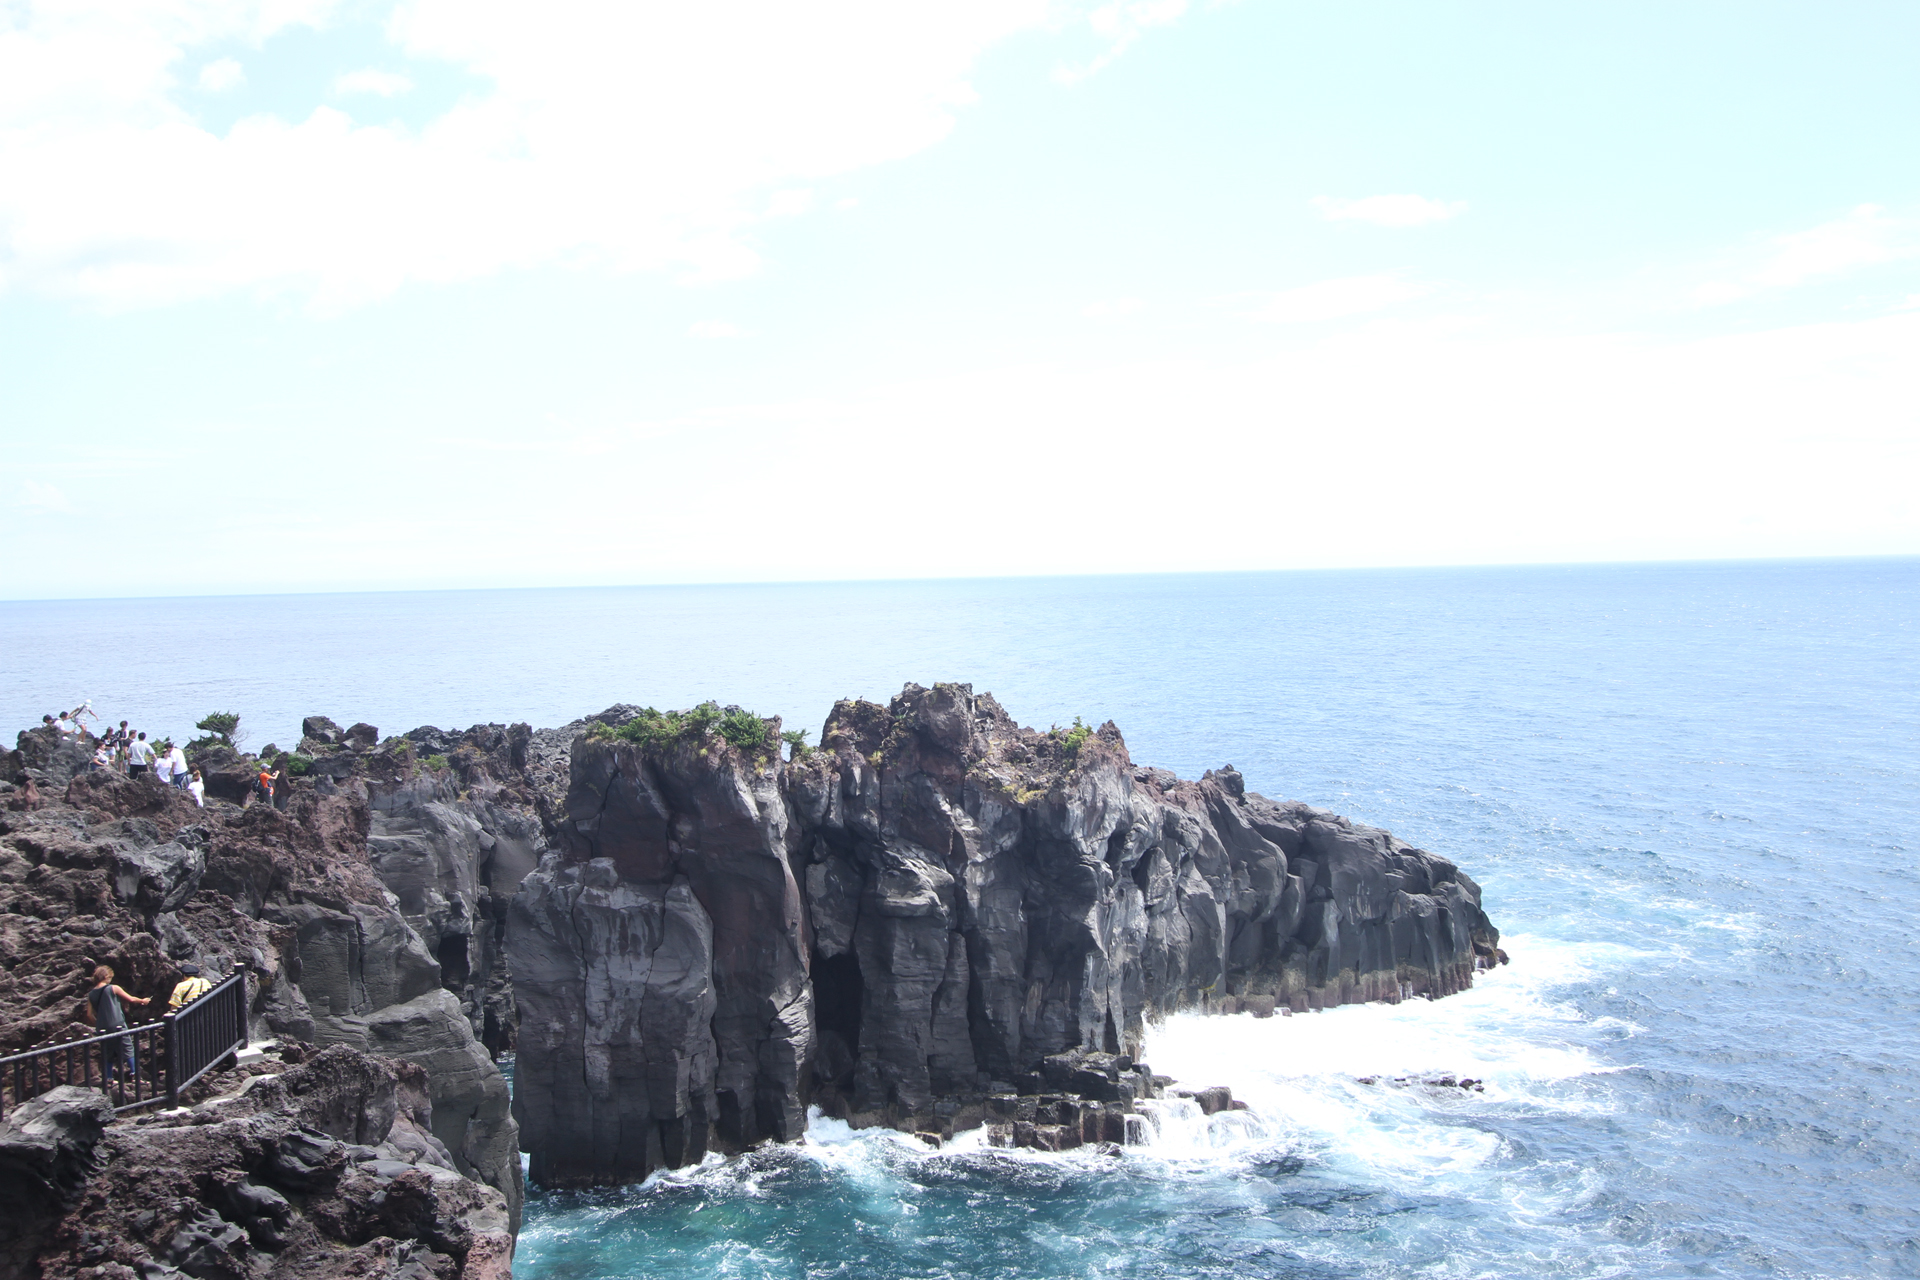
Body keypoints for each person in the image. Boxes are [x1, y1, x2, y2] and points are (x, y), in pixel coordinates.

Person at [84, 964, 150, 1088]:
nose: (111, 979)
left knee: (108, 1052)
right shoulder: (113, 988)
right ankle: (135, 1076)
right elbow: (130, 999)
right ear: (105, 976)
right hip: (117, 1023)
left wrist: (98, 1023)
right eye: (110, 977)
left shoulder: (91, 994)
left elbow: (89, 1014)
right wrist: (143, 1001)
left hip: (102, 1027)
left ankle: (109, 1079)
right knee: (128, 1048)